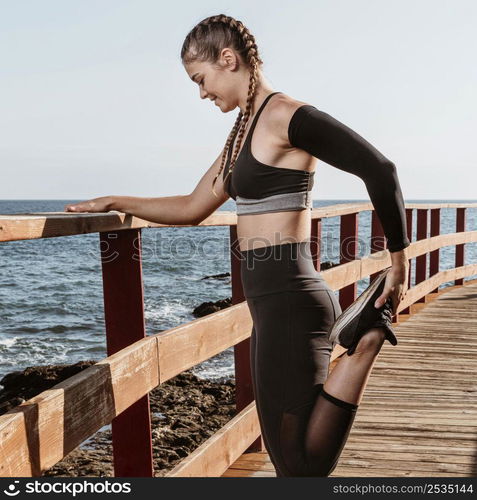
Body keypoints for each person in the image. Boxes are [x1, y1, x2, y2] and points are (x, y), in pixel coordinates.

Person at [64, 14, 410, 477]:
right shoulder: (242, 132)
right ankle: (364, 337)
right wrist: (115, 199)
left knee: (300, 464)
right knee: (288, 456)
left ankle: (366, 340)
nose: (202, 93)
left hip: (291, 300)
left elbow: (381, 170)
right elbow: (191, 206)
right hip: (271, 304)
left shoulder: (287, 115)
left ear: (228, 59)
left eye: (201, 79)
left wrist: (399, 260)